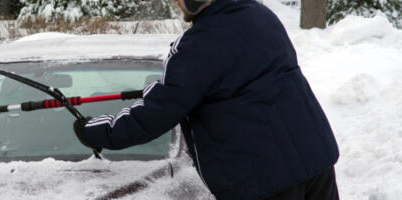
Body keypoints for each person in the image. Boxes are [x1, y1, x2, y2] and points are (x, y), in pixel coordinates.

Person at [72, 0, 340, 199]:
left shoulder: (198, 45)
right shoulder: (261, 16)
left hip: (263, 181)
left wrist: (96, 131)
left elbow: (155, 115)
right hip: (316, 163)